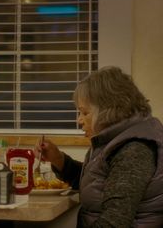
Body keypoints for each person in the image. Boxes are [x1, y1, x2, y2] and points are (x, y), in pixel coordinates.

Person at [34, 66, 163, 227]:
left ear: (108, 111)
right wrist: (58, 160)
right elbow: (98, 183)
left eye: (85, 112)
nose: (79, 120)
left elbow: (114, 222)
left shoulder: (134, 150)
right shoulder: (115, 140)